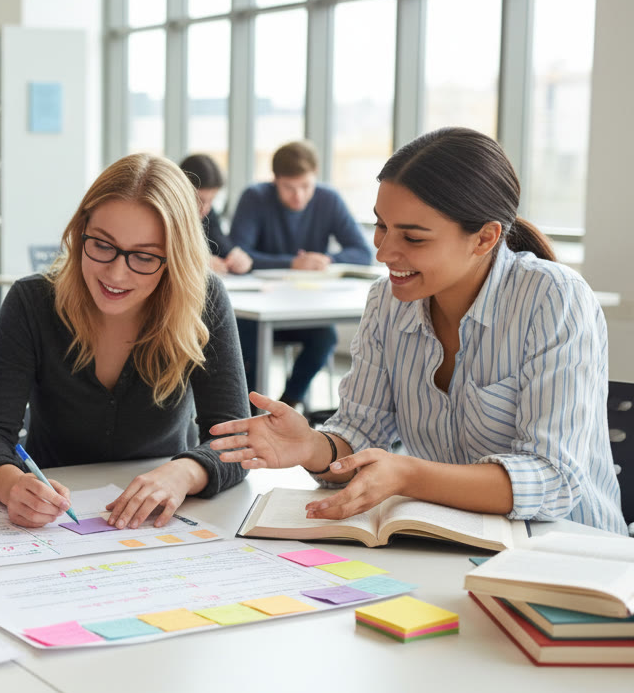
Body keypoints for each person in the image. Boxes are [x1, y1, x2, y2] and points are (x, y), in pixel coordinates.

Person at [209, 127, 627, 535]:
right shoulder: (386, 301)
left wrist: (408, 474)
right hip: (453, 544)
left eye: (412, 236)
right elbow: (361, 431)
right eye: (381, 225)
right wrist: (313, 447)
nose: (383, 251)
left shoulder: (554, 298)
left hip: (571, 554)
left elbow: (553, 480)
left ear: (484, 238)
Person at [0, 153, 250, 530]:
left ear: (175, 258)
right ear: (80, 230)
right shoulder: (32, 302)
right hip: (54, 520)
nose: (116, 273)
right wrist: (12, 484)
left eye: (145, 257)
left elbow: (236, 440)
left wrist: (183, 473)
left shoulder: (204, 298)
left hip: (163, 519)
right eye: (101, 245)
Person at [230, 140, 373, 407]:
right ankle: (247, 411)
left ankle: (286, 405)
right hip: (257, 311)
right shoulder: (254, 197)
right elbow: (239, 255)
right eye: (289, 188)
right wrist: (293, 263)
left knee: (325, 337)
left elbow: (362, 253)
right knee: (245, 338)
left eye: (306, 187)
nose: (299, 196)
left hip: (304, 308)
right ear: (275, 181)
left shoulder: (327, 199)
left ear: (315, 178)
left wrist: (326, 260)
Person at [179, 154, 251, 275]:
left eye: (211, 200)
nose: (205, 209)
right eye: (199, 200)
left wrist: (237, 259)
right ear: (179, 191)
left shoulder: (208, 213)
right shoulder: (160, 216)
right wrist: (198, 263)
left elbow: (223, 247)